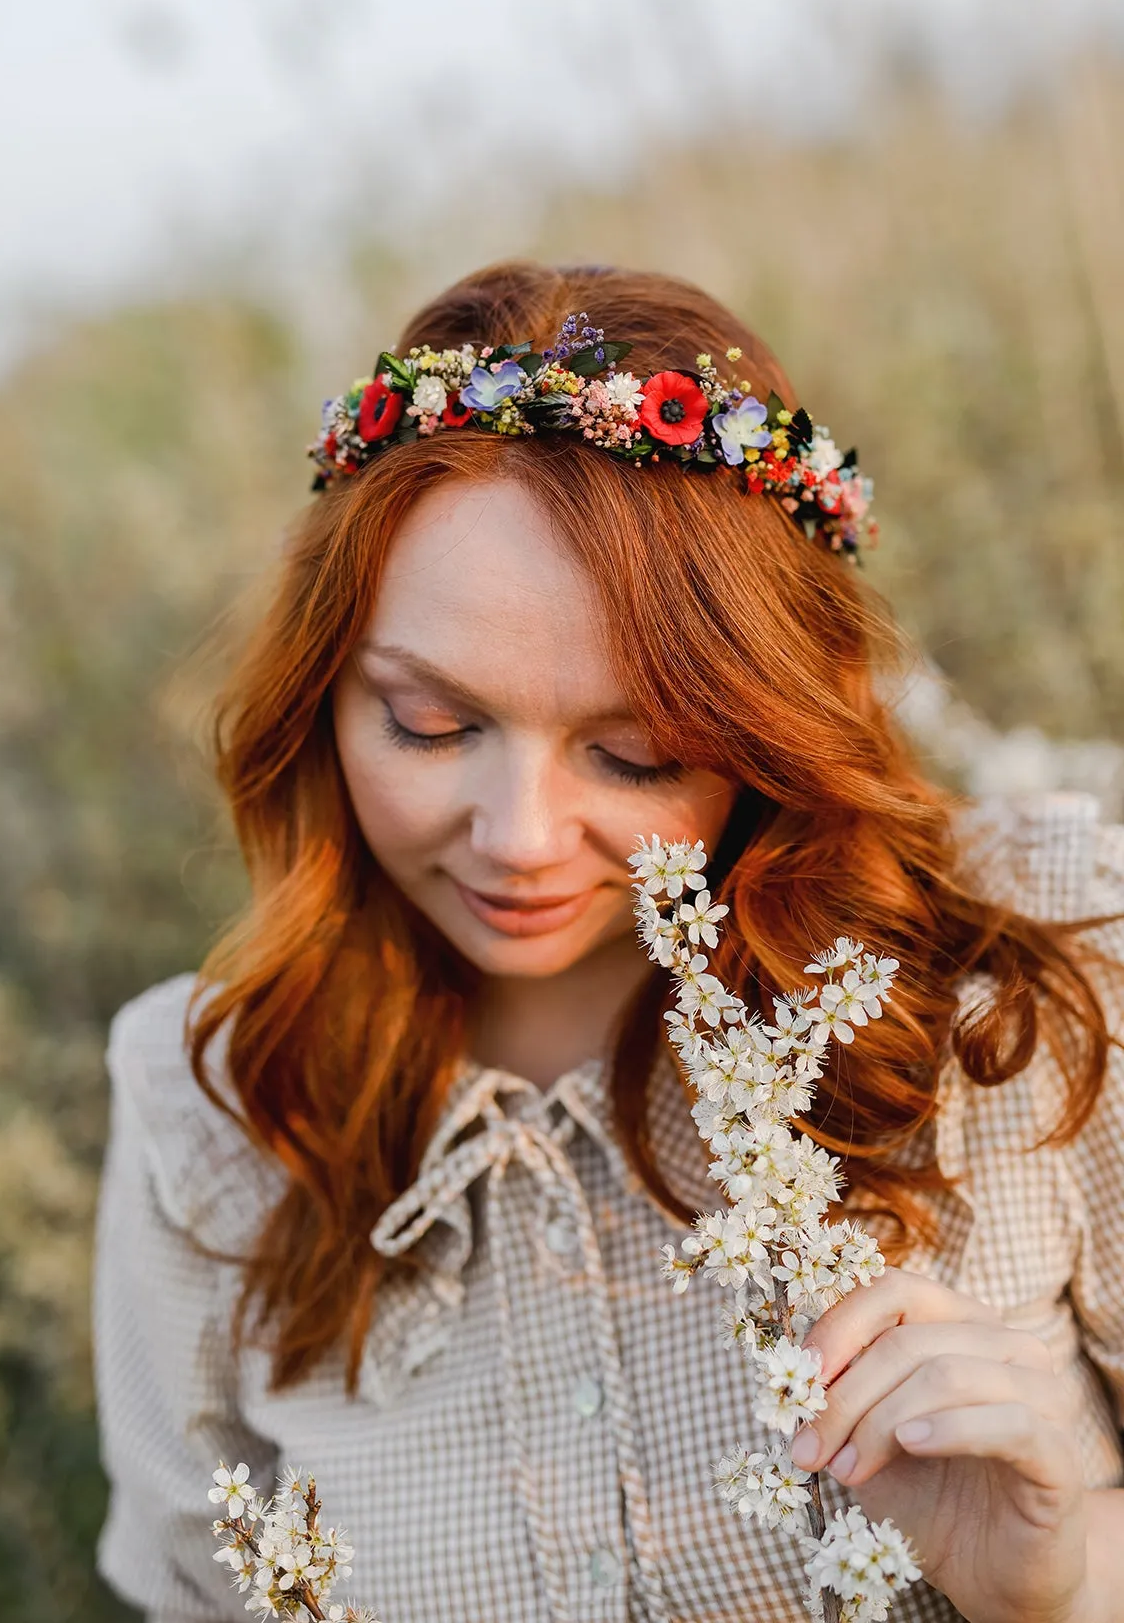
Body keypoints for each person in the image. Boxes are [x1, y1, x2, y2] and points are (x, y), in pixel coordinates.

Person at [93, 261, 1124, 1623]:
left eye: (635, 753)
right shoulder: (214, 1099)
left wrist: (1066, 1582)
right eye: (429, 724)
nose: (519, 836)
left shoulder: (1036, 975)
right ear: (321, 695)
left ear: (771, 733)